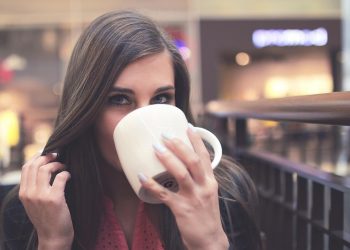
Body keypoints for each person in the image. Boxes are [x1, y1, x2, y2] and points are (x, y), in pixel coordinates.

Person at [0, 10, 261, 250]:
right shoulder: (33, 208)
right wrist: (53, 242)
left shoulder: (224, 193)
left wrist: (210, 243)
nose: (144, 118)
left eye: (161, 99)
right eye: (120, 99)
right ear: (86, 109)